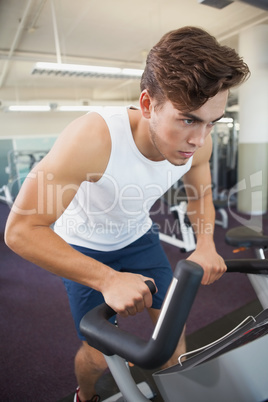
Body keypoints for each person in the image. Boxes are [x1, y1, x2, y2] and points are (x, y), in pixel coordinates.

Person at [5, 26, 250, 402]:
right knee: (101, 355)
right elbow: (21, 230)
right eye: (188, 119)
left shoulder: (201, 139)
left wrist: (205, 244)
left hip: (138, 237)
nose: (200, 139)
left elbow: (200, 193)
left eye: (210, 122)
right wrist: (106, 278)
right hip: (82, 245)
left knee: (171, 328)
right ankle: (84, 396)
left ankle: (174, 389)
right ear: (149, 104)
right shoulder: (94, 138)